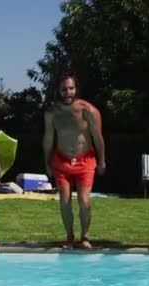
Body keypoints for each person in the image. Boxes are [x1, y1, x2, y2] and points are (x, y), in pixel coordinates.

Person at [43, 75, 106, 249]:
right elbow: (48, 138)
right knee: (64, 200)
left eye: (71, 88)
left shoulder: (89, 111)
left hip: (85, 161)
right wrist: (47, 162)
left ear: (76, 89)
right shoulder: (52, 113)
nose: (67, 92)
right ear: (58, 90)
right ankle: (69, 237)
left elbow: (98, 138)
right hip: (61, 161)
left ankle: (85, 237)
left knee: (84, 201)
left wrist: (102, 161)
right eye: (64, 89)